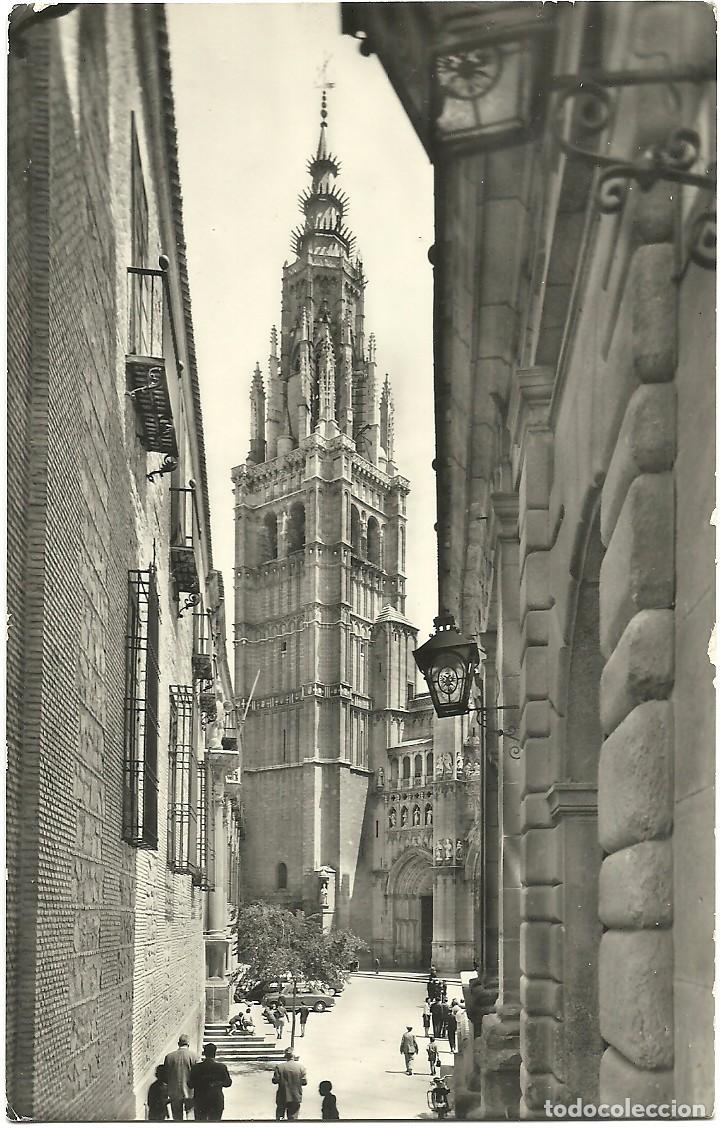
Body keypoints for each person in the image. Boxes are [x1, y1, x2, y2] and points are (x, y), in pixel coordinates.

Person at [188, 1043, 232, 1121]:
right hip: (216, 1101)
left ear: (204, 1053)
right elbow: (228, 1083)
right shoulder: (221, 1067)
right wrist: (218, 1083)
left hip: (200, 1101)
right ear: (214, 1054)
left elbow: (190, 1084)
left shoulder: (196, 1068)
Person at [163, 1034, 198, 1121]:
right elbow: (197, 1075)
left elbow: (165, 1076)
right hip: (190, 1092)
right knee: (190, 1116)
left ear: (178, 1044)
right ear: (188, 1044)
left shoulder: (169, 1057)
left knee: (177, 1118)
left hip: (174, 1092)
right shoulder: (194, 1056)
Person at [272, 1047, 308, 1120]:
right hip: (295, 1096)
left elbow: (275, 1081)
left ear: (285, 1056)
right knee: (293, 1119)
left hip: (282, 1096)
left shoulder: (279, 1067)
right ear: (294, 1056)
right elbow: (304, 1082)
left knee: (280, 1117)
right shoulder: (301, 1067)